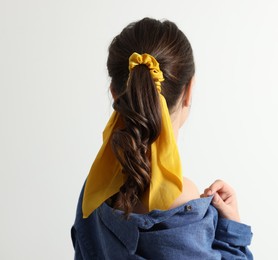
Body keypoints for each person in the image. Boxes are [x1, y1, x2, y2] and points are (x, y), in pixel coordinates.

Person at [71, 17, 253, 259]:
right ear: (189, 91)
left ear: (115, 94)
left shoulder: (95, 187)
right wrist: (232, 231)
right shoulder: (182, 200)